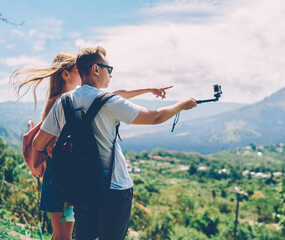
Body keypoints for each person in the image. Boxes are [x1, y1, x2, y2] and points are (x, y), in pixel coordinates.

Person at [32, 46, 197, 240]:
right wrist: (182, 105)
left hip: (81, 186)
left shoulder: (64, 102)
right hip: (115, 188)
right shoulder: (109, 102)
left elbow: (38, 143)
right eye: (109, 70)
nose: (110, 75)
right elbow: (155, 117)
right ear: (95, 69)